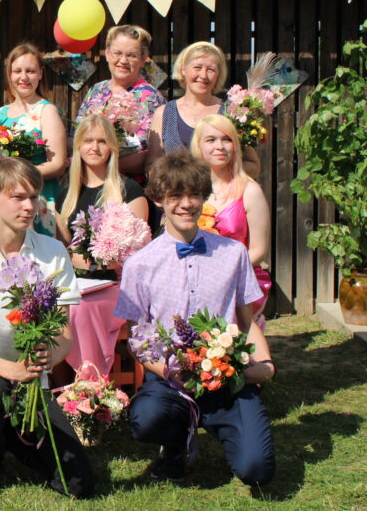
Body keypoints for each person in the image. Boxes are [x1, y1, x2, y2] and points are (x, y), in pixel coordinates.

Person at [115, 149, 275, 486]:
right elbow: (138, 339)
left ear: (204, 197)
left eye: (194, 195)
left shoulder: (233, 254)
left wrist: (265, 364)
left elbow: (246, 321)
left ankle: (226, 427)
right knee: (146, 421)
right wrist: (173, 373)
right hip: (172, 378)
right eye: (175, 196)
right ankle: (175, 444)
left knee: (257, 470)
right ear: (158, 199)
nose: (186, 204)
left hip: (228, 375)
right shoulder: (140, 264)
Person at [0, 157, 92, 499]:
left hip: (31, 378)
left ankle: (11, 437)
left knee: (78, 484)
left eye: (33, 197)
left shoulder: (52, 251)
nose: (29, 206)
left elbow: (64, 335)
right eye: (18, 197)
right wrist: (13, 371)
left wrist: (47, 357)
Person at [55, 114, 148, 375]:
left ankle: (91, 382)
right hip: (77, 283)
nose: (94, 147)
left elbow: (138, 252)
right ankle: (60, 383)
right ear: (78, 146)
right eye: (88, 141)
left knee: (80, 308)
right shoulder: (66, 194)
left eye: (102, 141)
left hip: (117, 285)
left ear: (112, 148)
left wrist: (97, 262)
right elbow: (61, 247)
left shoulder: (129, 191)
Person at [191, 115, 273, 317]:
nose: (220, 146)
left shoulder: (250, 191)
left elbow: (259, 250)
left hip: (239, 281)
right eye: (211, 140)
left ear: (235, 146)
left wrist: (220, 273)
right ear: (198, 146)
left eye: (227, 139)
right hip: (192, 279)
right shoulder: (187, 189)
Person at [147, 41, 261, 179]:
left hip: (221, 192)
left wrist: (219, 175)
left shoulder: (232, 112)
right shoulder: (164, 113)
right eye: (197, 67)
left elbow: (253, 165)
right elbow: (152, 165)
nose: (203, 75)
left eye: (211, 70)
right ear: (183, 69)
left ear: (218, 74)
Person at [0, 42, 67, 236]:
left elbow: (57, 163)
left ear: (40, 73)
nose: (24, 77)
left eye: (30, 71)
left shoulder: (46, 111)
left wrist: (19, 177)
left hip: (39, 196)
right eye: (17, 71)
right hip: (7, 199)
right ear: (10, 74)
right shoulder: (1, 114)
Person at [74, 24, 167, 176]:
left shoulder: (150, 97)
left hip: (128, 182)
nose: (123, 60)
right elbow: (75, 135)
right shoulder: (96, 90)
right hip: (89, 178)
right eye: (117, 53)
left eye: (131, 55)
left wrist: (104, 166)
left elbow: (151, 153)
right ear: (107, 54)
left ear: (143, 58)